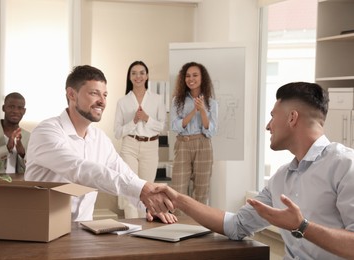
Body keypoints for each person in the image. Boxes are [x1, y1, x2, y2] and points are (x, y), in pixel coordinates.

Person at [158, 82, 354, 259]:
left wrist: (302, 226)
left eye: (272, 117)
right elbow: (236, 226)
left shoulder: (345, 165)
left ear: (292, 118)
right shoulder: (281, 178)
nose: (268, 126)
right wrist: (178, 199)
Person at [24, 65, 176, 224]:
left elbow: (124, 175)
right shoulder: (46, 132)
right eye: (94, 93)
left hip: (82, 232)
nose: (102, 101)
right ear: (71, 94)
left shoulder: (100, 139)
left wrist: (149, 206)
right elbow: (79, 169)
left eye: (105, 95)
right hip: (42, 229)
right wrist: (142, 188)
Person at [114, 61, 166, 218]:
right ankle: (132, 229)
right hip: (129, 145)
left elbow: (162, 127)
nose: (138, 76)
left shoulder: (157, 99)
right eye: (134, 73)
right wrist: (134, 121)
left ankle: (144, 229)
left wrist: (146, 118)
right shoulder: (122, 102)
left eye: (142, 72)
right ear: (130, 77)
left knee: (147, 190)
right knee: (130, 188)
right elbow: (117, 132)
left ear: (147, 76)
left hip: (150, 147)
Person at [170, 61, 218, 213]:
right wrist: (193, 112)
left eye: (195, 75)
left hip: (203, 144)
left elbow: (210, 131)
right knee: (177, 190)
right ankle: (176, 226)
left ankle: (198, 227)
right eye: (188, 76)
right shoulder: (177, 101)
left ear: (202, 78)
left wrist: (202, 110)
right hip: (183, 144)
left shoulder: (211, 103)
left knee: (201, 190)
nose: (191, 79)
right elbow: (175, 126)